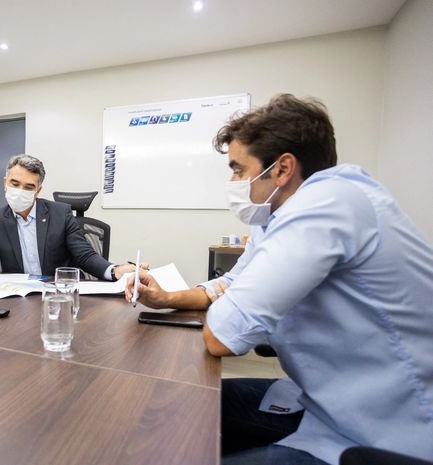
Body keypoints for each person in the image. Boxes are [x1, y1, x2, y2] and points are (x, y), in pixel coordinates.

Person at [125, 94, 433, 465]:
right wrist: (166, 298)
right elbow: (229, 284)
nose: (233, 181)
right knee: (184, 405)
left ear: (283, 168)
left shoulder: (327, 205)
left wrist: (227, 298)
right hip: (325, 403)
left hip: (387, 436)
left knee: (174, 421)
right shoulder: (275, 219)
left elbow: (221, 336)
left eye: (238, 169)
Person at [0, 154, 141, 280]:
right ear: (5, 183)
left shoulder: (61, 214)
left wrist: (115, 270)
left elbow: (84, 255)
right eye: (14, 184)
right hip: (19, 297)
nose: (20, 191)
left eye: (28, 187)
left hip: (59, 292)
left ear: (38, 190)